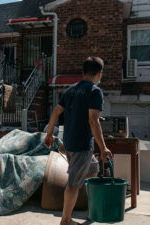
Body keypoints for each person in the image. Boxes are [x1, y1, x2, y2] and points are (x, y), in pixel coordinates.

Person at [44, 57, 113, 225]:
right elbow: (93, 121)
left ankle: (89, 204)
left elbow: (56, 111)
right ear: (99, 74)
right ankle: (65, 220)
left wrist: (49, 134)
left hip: (69, 141)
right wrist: (103, 148)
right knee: (73, 183)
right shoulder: (95, 91)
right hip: (81, 145)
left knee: (93, 167)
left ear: (83, 72)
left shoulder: (71, 90)